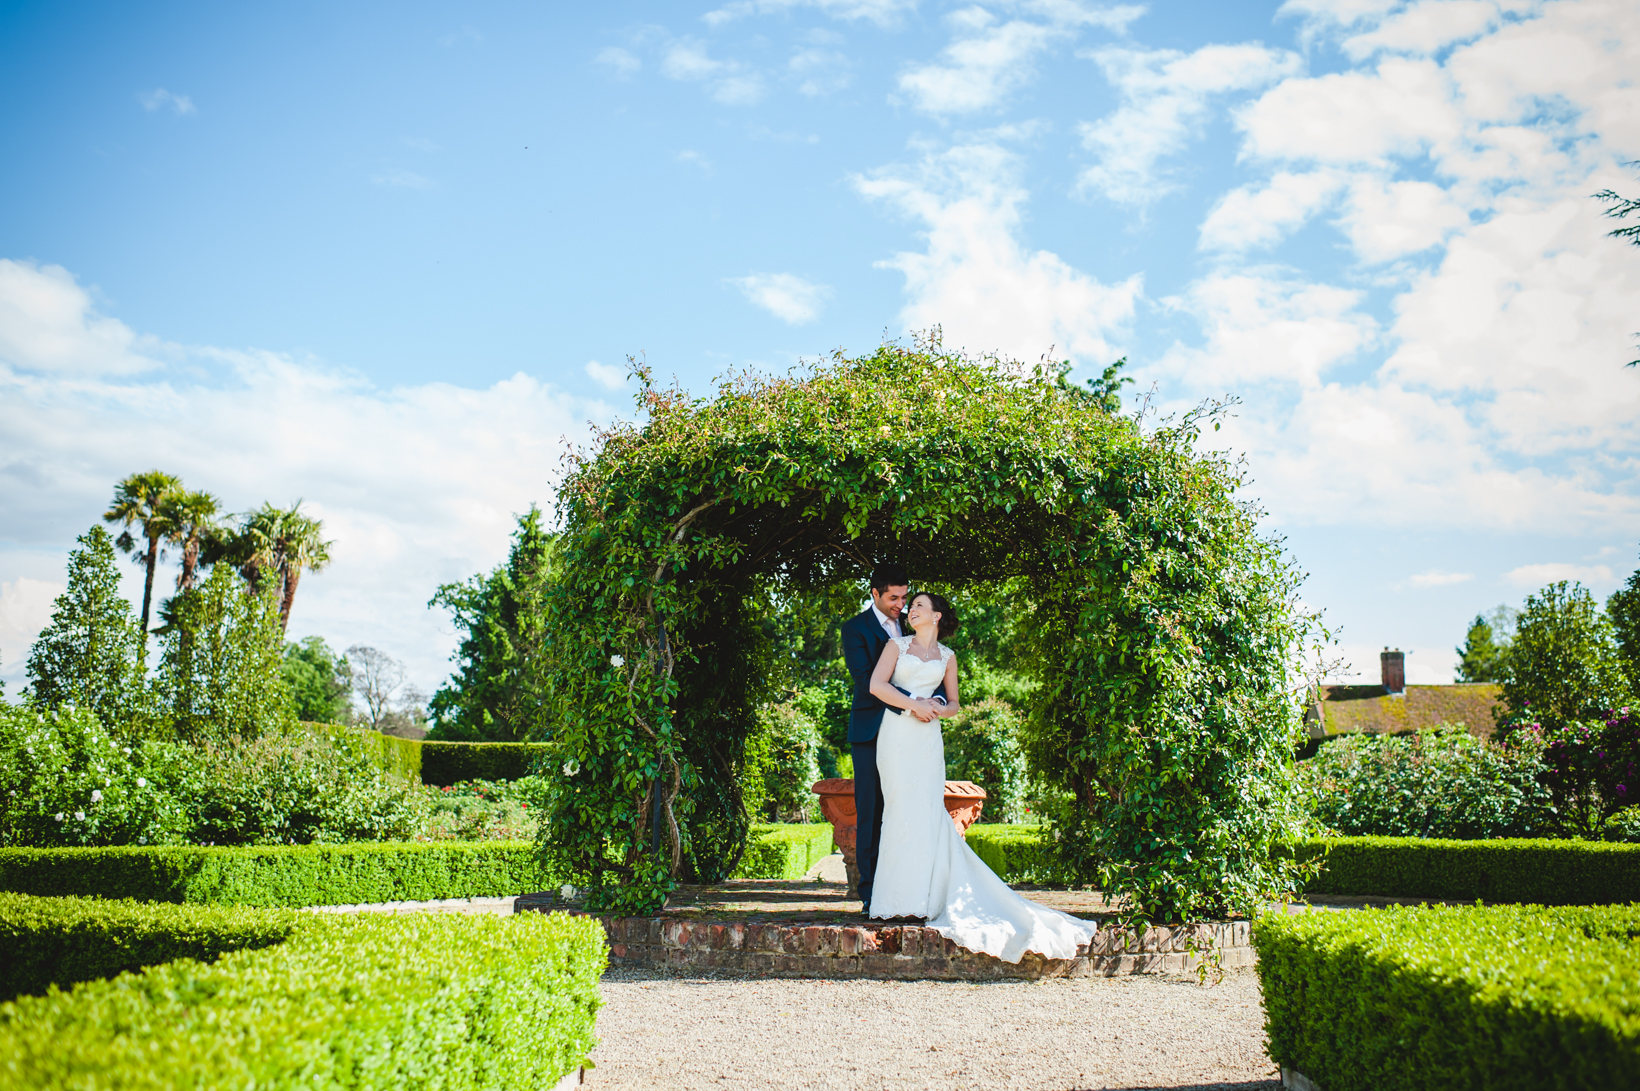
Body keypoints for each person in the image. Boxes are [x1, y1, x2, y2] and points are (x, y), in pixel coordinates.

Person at [866, 591, 1097, 963]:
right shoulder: (896, 646)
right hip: (897, 735)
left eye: (921, 606)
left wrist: (939, 707)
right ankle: (897, 900)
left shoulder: (947, 657)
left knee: (926, 810)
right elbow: (877, 687)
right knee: (898, 808)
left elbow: (956, 704)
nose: (912, 610)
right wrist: (915, 705)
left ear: (937, 616)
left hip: (928, 738)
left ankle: (928, 898)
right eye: (912, 606)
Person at [840, 563, 945, 918]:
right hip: (872, 731)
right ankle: (872, 894)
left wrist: (935, 703)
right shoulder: (855, 629)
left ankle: (917, 887)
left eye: (905, 597)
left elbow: (938, 674)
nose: (901, 604)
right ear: (875, 594)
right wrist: (913, 703)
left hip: (915, 736)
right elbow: (865, 679)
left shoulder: (915, 623)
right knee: (872, 811)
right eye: (893, 598)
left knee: (912, 809)